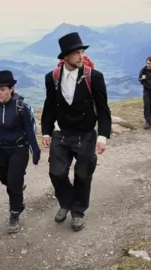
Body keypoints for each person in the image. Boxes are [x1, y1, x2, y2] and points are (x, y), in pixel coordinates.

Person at [41, 32, 112, 231]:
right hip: (61, 133)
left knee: (83, 175)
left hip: (86, 134)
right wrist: (46, 131)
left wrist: (103, 136)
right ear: (65, 57)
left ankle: (78, 211)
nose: (81, 56)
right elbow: (49, 106)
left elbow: (104, 109)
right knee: (56, 173)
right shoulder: (52, 78)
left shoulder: (94, 77)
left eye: (82, 52)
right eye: (76, 53)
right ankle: (67, 202)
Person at [0, 70, 41, 234]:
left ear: (11, 89)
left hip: (18, 150)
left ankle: (15, 213)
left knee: (13, 183)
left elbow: (29, 130)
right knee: (4, 179)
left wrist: (35, 149)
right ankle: (18, 187)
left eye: (3, 90)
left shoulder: (21, 107)